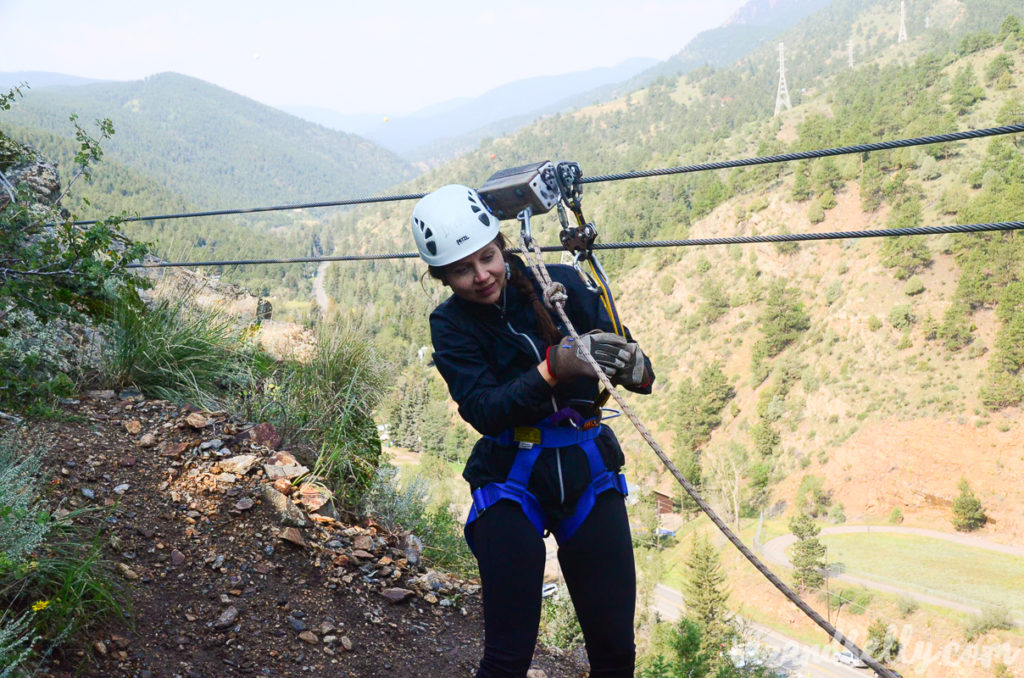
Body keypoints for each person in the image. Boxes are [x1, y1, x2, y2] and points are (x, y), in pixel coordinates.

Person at [411, 184, 655, 678]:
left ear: (502, 246)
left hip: (587, 467)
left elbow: (633, 369)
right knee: (508, 657)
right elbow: (486, 409)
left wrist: (635, 366)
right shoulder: (451, 325)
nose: (481, 276)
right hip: (510, 477)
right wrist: (553, 368)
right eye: (462, 269)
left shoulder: (559, 283)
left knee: (615, 653)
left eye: (487, 258)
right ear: (442, 276)